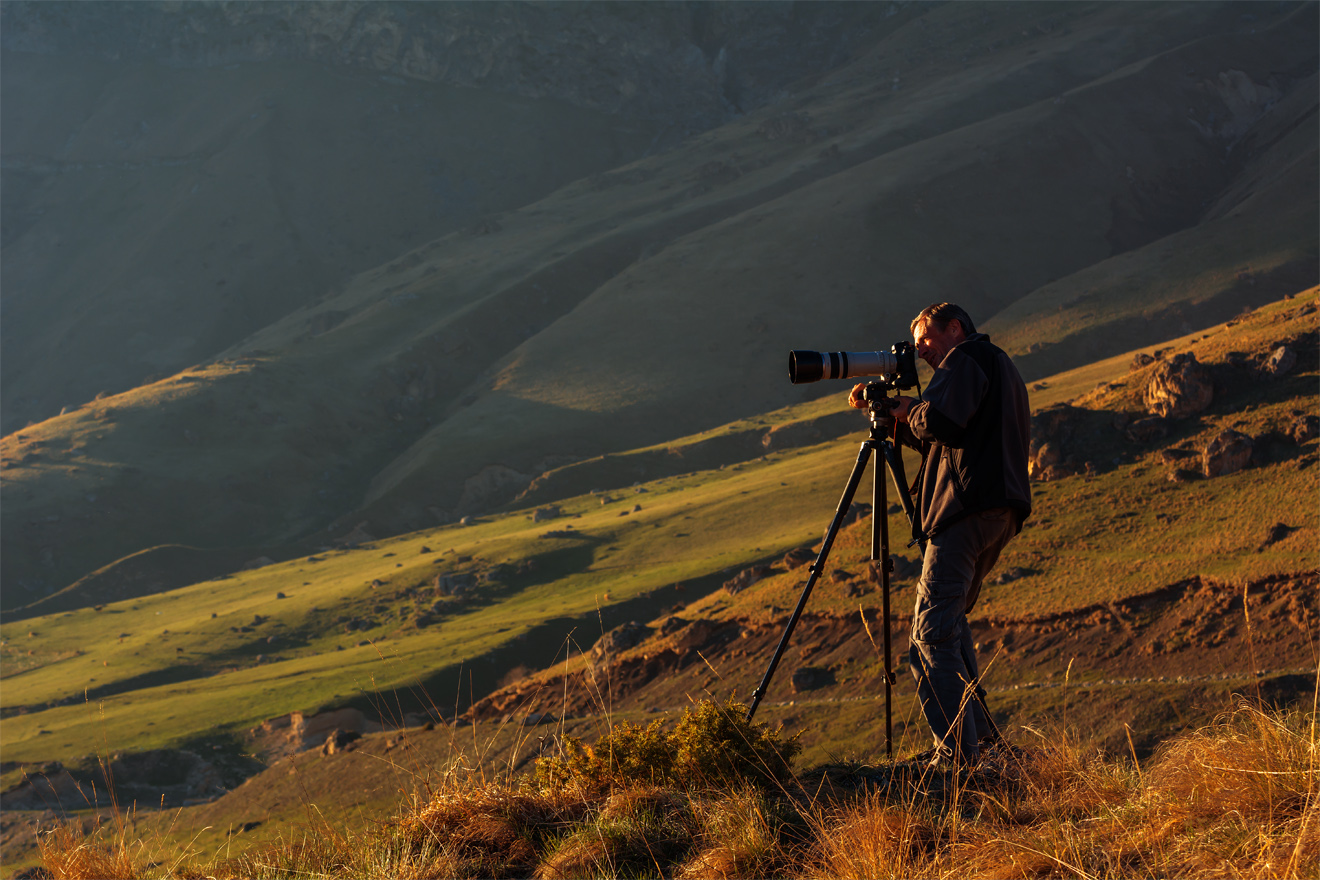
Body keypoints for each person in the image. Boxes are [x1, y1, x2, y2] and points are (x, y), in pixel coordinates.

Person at [848, 302, 1031, 766]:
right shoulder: (998, 365)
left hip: (965, 511)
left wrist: (907, 407)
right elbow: (947, 440)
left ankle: (956, 757)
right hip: (998, 510)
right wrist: (893, 418)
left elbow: (942, 422)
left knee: (929, 636)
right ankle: (985, 746)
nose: (921, 350)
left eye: (926, 338)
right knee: (947, 630)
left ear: (955, 328)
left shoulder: (965, 359)